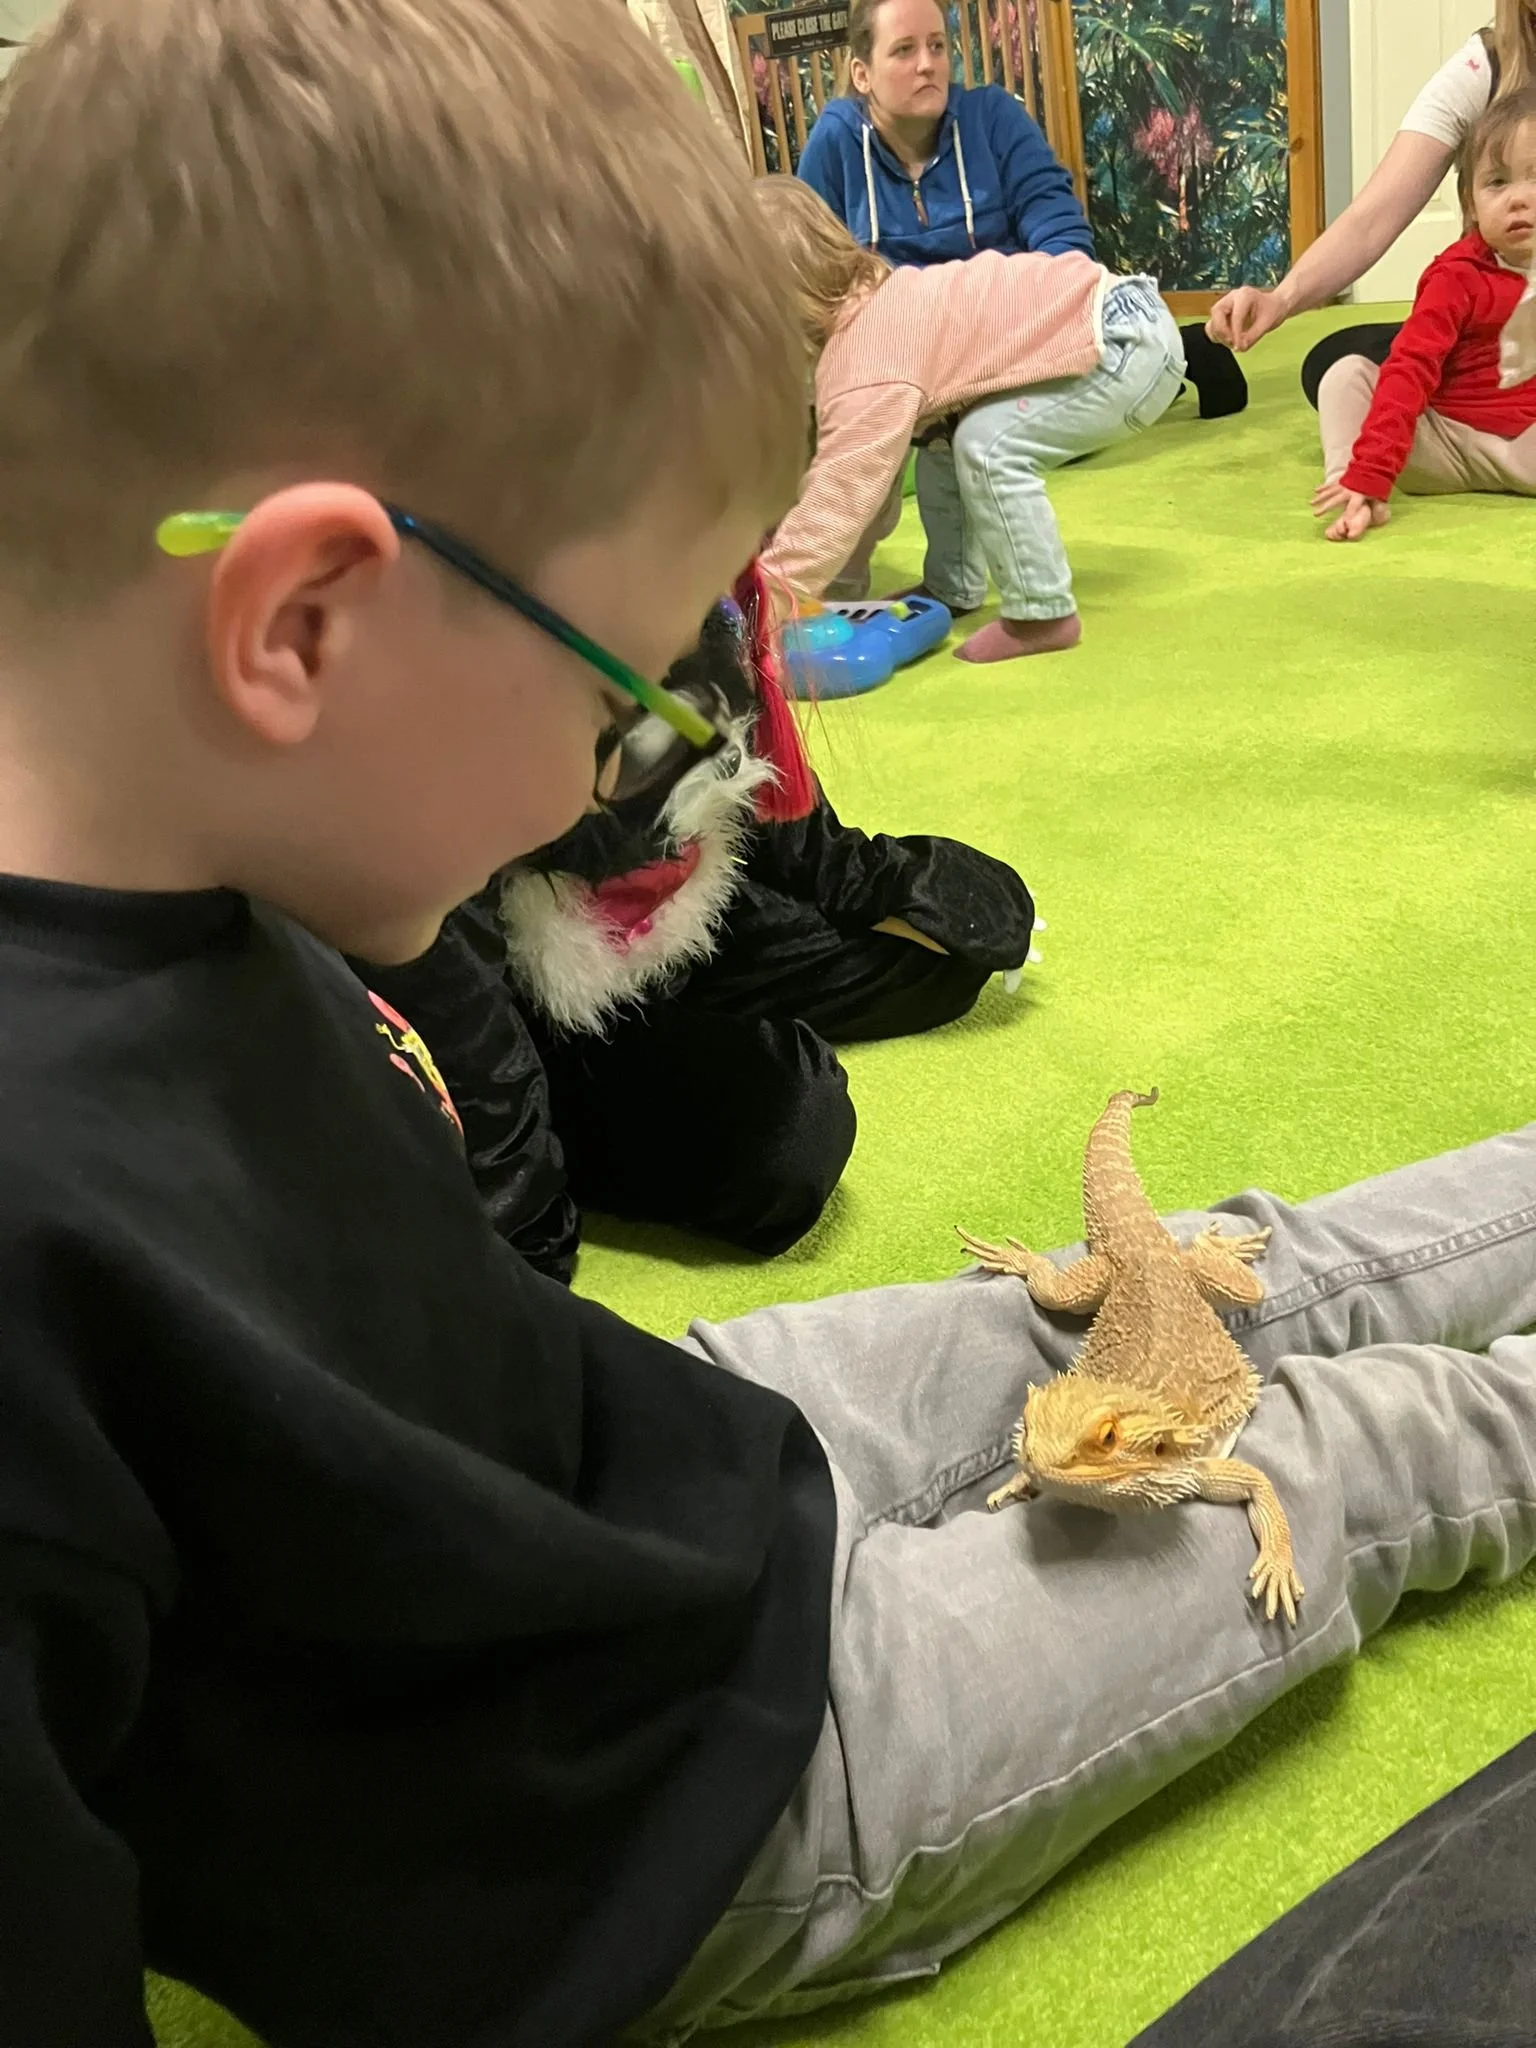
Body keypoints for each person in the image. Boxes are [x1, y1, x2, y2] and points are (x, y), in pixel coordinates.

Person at [2, 9, 1536, 2048]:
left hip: (653, 1450)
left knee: (1214, 1268)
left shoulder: (213, 869)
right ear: (303, 624)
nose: (621, 774)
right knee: (1346, 1448)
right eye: (618, 691)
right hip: (700, 1803)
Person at [360, 580, 1036, 1276]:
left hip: (677, 914)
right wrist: (529, 1251)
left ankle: (682, 1023)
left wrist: (884, 880)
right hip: (533, 979)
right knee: (790, 1136)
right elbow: (465, 1024)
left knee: (944, 959)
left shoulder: (697, 594)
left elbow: (756, 776)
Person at [756, 178, 1186, 660]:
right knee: (944, 438)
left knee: (986, 444)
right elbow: (872, 495)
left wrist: (770, 596)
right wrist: (835, 591)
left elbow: (844, 496)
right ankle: (951, 587)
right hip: (1120, 319)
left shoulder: (867, 359)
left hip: (1124, 343)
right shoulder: (879, 304)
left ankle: (1042, 613)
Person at [1208, 3, 1536, 403]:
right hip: (1497, 325)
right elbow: (1372, 218)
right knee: (1337, 365)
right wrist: (1281, 298)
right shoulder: (1483, 66)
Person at [1313, 88, 1536, 543]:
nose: (1519, 199)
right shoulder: (1456, 276)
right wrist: (1371, 470)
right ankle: (1349, 486)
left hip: (1527, 445)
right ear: (1470, 204)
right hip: (1440, 445)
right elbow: (1410, 367)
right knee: (1345, 375)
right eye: (1497, 182)